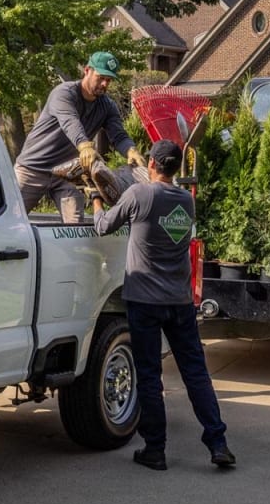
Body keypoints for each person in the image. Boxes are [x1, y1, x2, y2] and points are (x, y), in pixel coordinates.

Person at [92, 139, 235, 471]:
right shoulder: (186, 200)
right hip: (180, 302)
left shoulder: (140, 195)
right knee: (196, 373)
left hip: (144, 300)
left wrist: (96, 198)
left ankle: (155, 450)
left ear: (152, 165)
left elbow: (102, 226)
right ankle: (218, 443)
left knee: (150, 375)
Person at [15, 51, 146, 222]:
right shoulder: (64, 93)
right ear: (87, 71)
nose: (105, 84)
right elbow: (70, 122)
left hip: (67, 173)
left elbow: (118, 135)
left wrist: (131, 150)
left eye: (109, 80)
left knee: (75, 227)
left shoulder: (107, 106)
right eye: (101, 77)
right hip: (32, 169)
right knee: (10, 220)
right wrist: (85, 146)